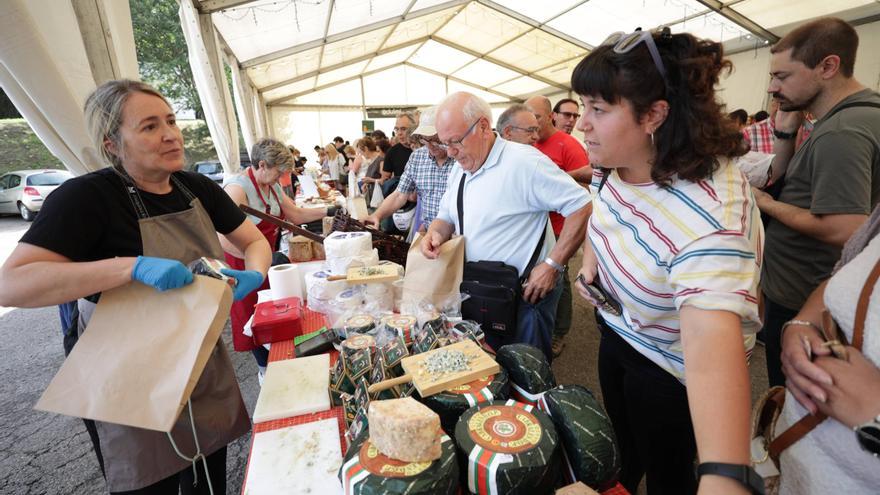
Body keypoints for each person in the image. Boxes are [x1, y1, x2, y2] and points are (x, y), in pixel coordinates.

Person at [0, 79, 272, 494]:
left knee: (208, 479)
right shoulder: (85, 198)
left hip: (196, 358)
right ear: (112, 143)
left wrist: (253, 272)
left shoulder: (195, 187)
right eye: (148, 127)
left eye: (171, 121)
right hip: (127, 375)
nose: (170, 134)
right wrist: (131, 268)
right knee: (149, 482)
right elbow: (12, 284)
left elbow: (251, 240)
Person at [572, 29, 763, 494]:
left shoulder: (710, 215)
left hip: (670, 368)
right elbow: (605, 204)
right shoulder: (616, 158)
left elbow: (708, 349)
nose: (582, 124)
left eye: (598, 109)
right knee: (622, 449)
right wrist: (593, 259)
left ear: (655, 114)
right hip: (619, 332)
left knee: (667, 474)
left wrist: (725, 475)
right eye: (582, 106)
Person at [753, 17, 880, 388]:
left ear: (828, 66)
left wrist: (765, 203)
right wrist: (786, 134)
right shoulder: (853, 116)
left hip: (806, 296)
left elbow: (846, 227)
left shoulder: (843, 131)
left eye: (783, 76)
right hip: (814, 290)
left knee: (792, 395)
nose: (773, 87)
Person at [423, 91, 590, 360]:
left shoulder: (525, 162)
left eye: (455, 141)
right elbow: (447, 215)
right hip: (482, 291)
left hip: (524, 296)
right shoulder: (461, 166)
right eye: (445, 144)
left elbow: (581, 206)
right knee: (490, 369)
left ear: (483, 127)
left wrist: (553, 264)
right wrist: (435, 233)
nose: (451, 152)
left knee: (527, 373)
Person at [773, 203, 880, 494]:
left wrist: (873, 413)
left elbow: (843, 225)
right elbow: (847, 271)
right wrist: (803, 322)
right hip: (799, 467)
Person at [221, 138, 331, 381]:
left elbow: (295, 214)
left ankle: (282, 364)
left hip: (266, 261)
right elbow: (223, 237)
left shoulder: (271, 185)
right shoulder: (237, 189)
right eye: (279, 172)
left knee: (277, 316)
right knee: (252, 320)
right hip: (245, 266)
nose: (282, 178)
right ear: (262, 165)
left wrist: (330, 210)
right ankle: (265, 372)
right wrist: (258, 262)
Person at [526, 94, 591, 358]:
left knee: (559, 278)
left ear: (550, 116)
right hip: (534, 228)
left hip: (559, 227)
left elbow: (585, 189)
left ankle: (558, 333)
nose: (532, 123)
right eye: (528, 117)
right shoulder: (528, 144)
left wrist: (556, 182)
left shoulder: (568, 145)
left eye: (537, 117)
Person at [365, 107, 455, 232]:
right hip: (430, 236)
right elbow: (399, 195)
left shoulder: (459, 157)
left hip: (459, 237)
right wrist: (377, 215)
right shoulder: (417, 157)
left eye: (436, 140)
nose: (430, 145)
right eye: (424, 139)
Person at [381, 112, 416, 191]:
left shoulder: (424, 150)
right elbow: (385, 180)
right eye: (397, 129)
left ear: (414, 128)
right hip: (400, 197)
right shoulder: (392, 152)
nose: (399, 133)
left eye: (403, 129)